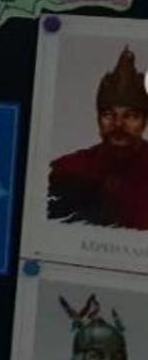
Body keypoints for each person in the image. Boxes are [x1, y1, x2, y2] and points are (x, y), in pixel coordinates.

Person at [48, 45, 148, 229]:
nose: (118, 125)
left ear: (144, 121)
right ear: (98, 119)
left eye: (130, 115)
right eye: (109, 114)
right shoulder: (67, 170)